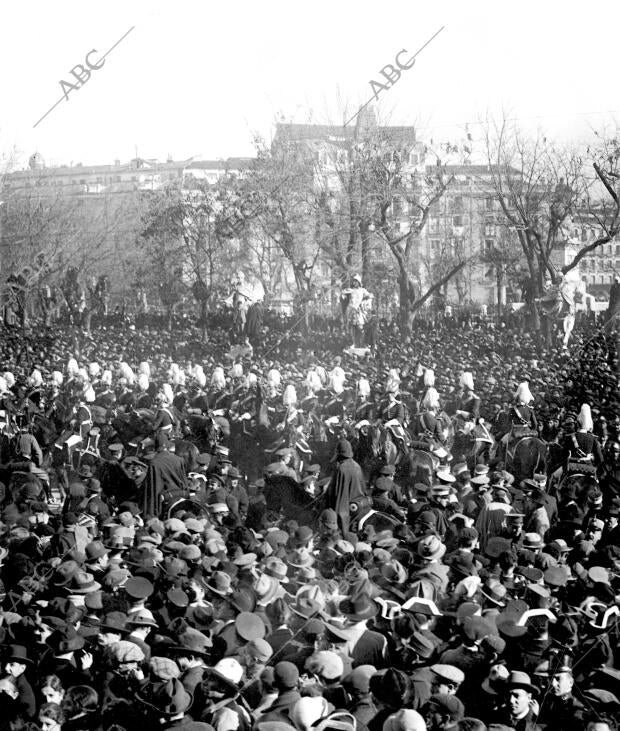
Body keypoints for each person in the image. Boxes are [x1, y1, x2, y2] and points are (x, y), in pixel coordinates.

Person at [325, 438, 366, 537]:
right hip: (359, 503)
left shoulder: (341, 469)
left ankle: (341, 535)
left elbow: (340, 497)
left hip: (347, 506)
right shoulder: (357, 466)